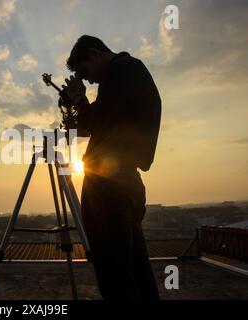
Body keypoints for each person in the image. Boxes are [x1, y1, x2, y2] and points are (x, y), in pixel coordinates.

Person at [61, 35, 161, 299]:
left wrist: (80, 99)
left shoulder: (121, 70)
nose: (90, 81)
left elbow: (97, 122)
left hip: (109, 187)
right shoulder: (129, 72)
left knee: (113, 271)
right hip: (125, 182)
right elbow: (97, 127)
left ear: (94, 54)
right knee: (134, 268)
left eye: (85, 72)